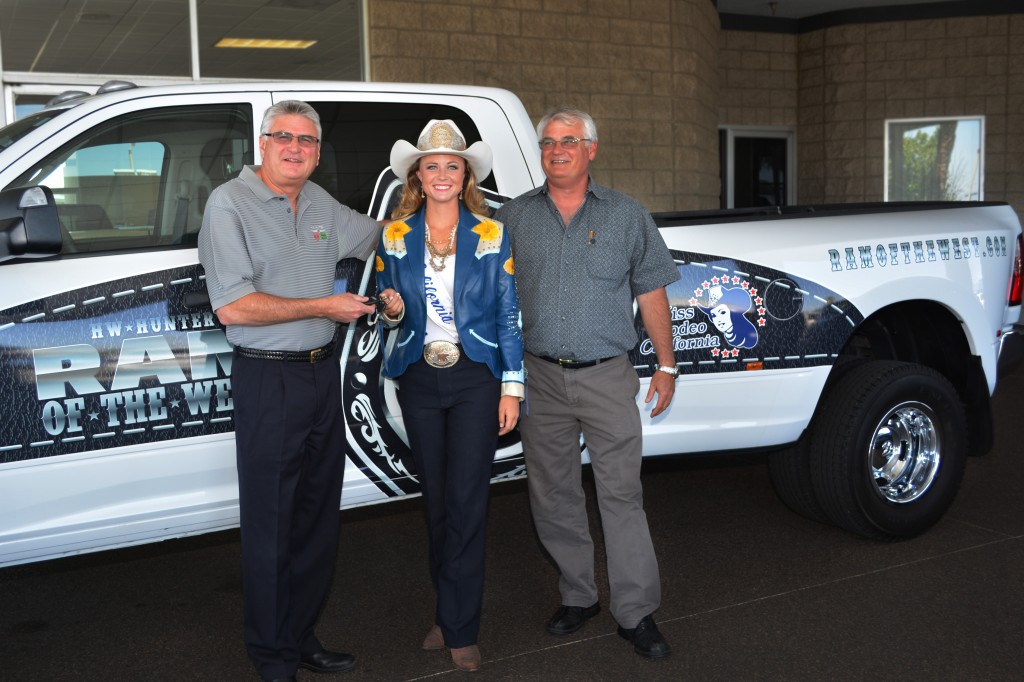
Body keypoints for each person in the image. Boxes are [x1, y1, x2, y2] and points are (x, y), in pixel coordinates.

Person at [198, 100, 380, 682]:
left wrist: (436, 193)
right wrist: (326, 305)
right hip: (268, 375)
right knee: (272, 524)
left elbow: (382, 235)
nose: (295, 148)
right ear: (263, 142)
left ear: (318, 152)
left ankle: (302, 637)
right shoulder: (230, 203)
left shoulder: (322, 203)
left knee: (316, 519)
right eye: (284, 137)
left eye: (306, 141)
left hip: (321, 374)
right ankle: (273, 659)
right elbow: (234, 306)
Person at [494, 108, 681, 660]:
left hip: (607, 376)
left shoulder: (626, 215)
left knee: (622, 495)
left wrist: (666, 366)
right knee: (553, 495)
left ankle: (636, 611)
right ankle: (578, 596)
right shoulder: (513, 219)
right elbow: (493, 299)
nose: (557, 150)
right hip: (539, 378)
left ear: (591, 149)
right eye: (548, 142)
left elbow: (651, 293)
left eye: (569, 141)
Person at [373, 119, 525, 672]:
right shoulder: (394, 235)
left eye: (452, 165)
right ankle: (448, 607)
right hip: (418, 374)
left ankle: (462, 627)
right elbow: (389, 311)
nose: (441, 174)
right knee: (436, 501)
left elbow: (509, 315)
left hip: (475, 379)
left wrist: (512, 387)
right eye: (431, 165)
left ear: (465, 176)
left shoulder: (491, 233)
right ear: (419, 174)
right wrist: (390, 309)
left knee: (467, 501)